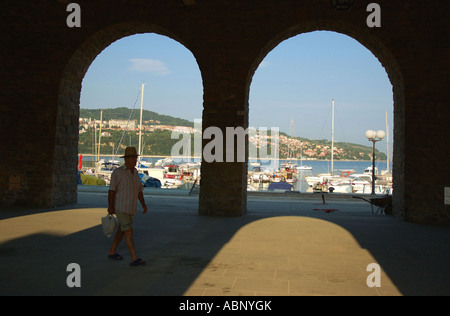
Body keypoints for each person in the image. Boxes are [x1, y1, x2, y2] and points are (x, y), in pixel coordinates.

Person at [107, 146, 148, 266]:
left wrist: (143, 204)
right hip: (121, 207)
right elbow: (111, 191)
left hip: (131, 208)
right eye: (134, 157)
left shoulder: (135, 173)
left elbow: (139, 190)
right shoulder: (117, 173)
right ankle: (134, 258)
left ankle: (112, 251)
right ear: (127, 159)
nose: (136, 160)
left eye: (136, 157)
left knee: (122, 230)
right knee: (129, 231)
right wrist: (110, 207)